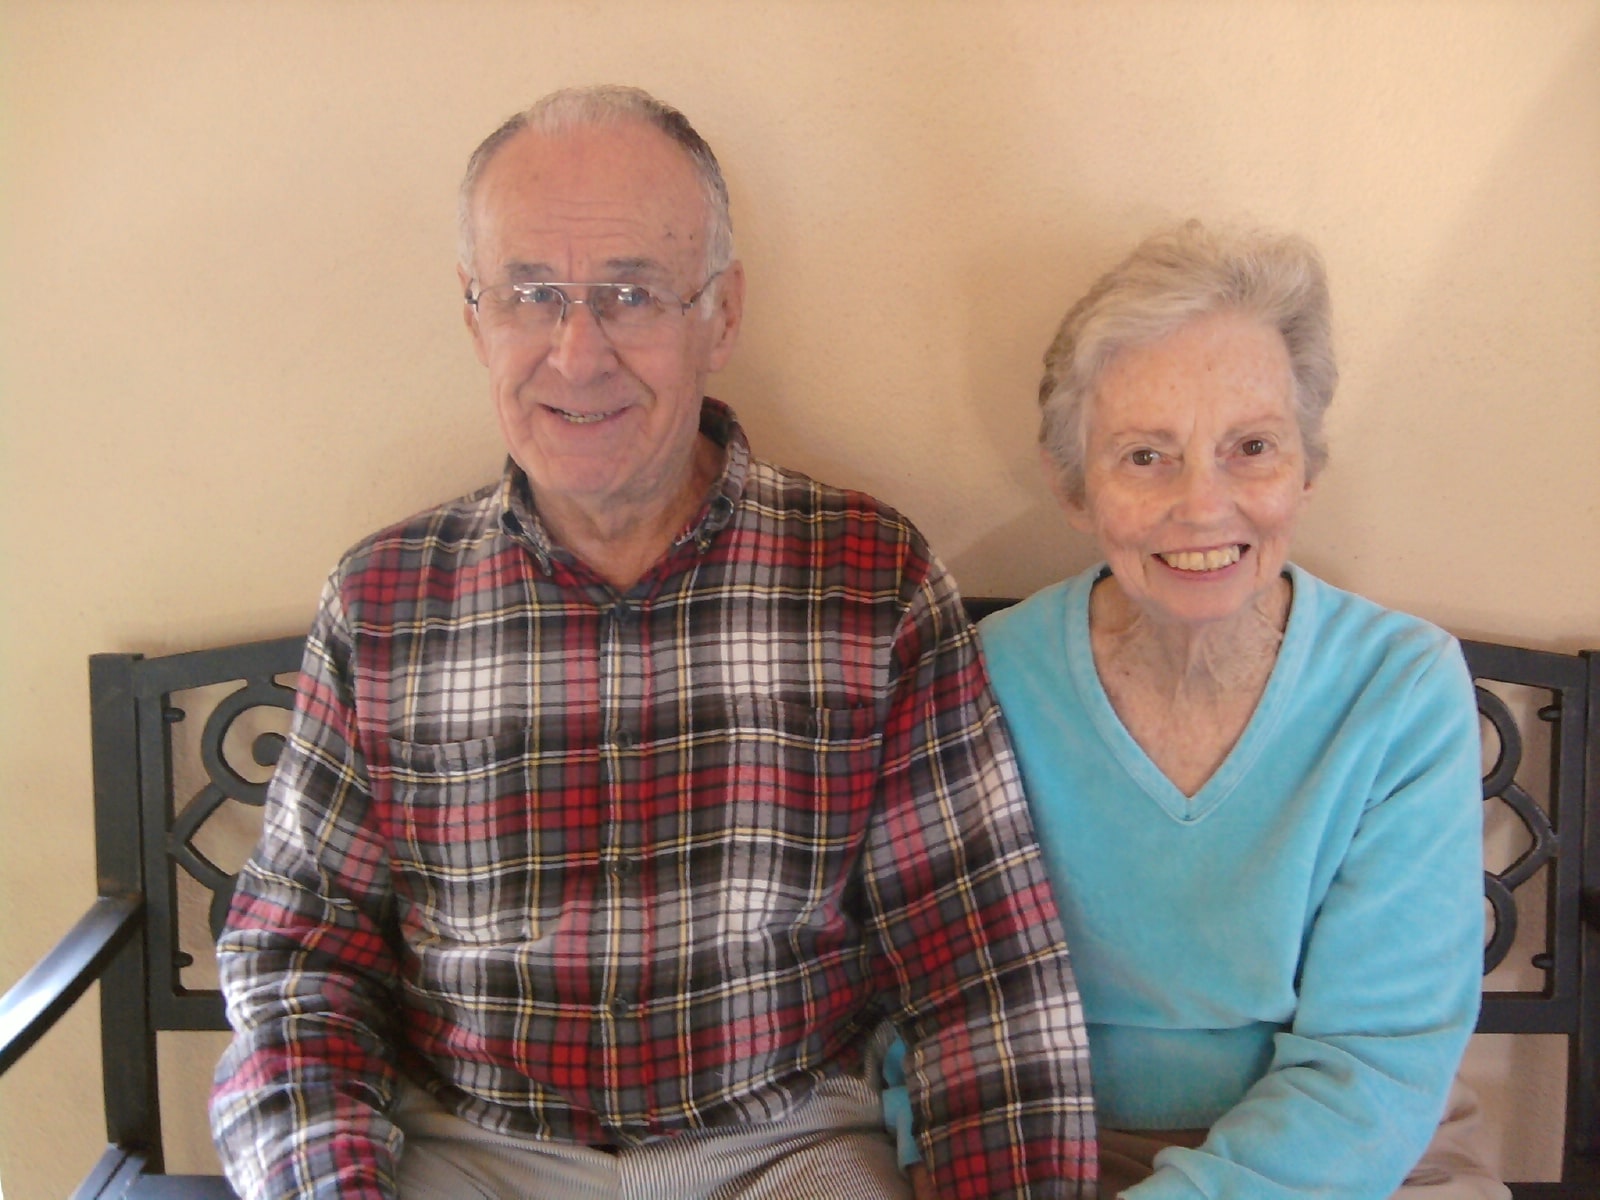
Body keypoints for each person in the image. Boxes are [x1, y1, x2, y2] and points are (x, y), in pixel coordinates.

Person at [209, 85, 1094, 1200]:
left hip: (784, 1148)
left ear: (719, 314)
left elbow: (981, 969)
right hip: (470, 1149)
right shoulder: (384, 602)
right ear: (473, 314)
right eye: (532, 295)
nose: (577, 355)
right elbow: (297, 965)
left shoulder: (872, 584)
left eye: (631, 294)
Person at [965, 221, 1502, 1198]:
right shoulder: (987, 680)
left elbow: (1375, 1066)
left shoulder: (1402, 690)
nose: (1202, 505)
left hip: (1360, 1157)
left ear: (1307, 465)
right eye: (1144, 457)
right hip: (1056, 1148)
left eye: (1249, 447)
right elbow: (939, 1003)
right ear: (1072, 487)